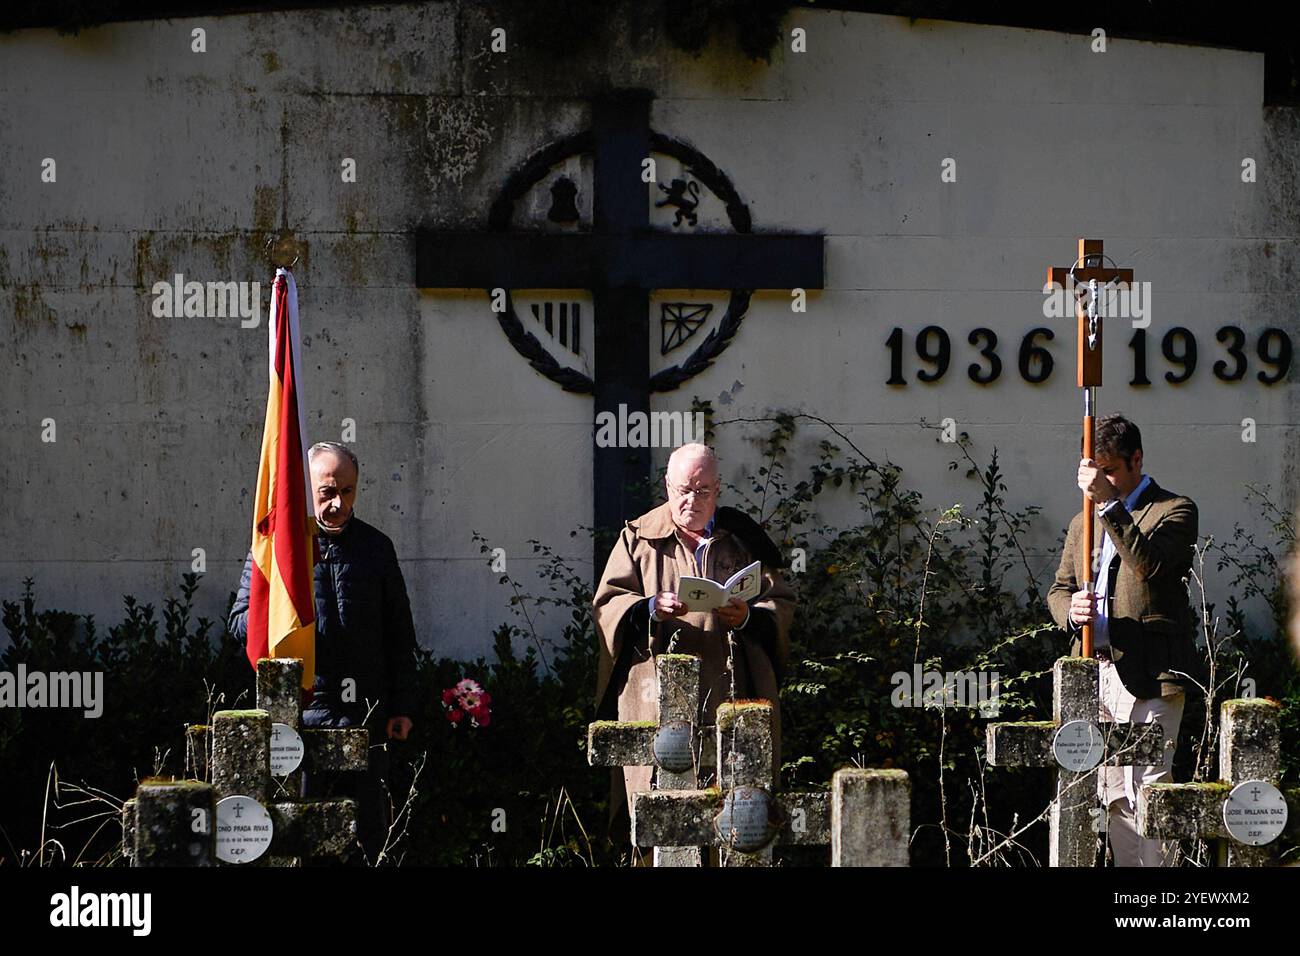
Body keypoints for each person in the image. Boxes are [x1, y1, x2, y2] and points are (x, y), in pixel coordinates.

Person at [593, 443, 795, 855]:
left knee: (735, 824)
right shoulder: (639, 538)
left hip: (732, 695)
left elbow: (781, 602)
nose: (692, 501)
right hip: (658, 704)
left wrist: (748, 617)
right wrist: (648, 608)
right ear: (667, 486)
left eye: (703, 491)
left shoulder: (743, 539)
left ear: (718, 489)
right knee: (663, 822)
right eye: (684, 489)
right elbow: (606, 606)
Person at [229, 441, 418, 864]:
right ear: (304, 488)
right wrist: (283, 616)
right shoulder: (277, 551)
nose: (338, 503)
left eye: (347, 491)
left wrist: (403, 706)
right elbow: (241, 625)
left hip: (366, 720)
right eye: (327, 492)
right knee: (304, 846)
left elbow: (400, 635)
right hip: (299, 726)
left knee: (368, 843)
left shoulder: (376, 548)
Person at [1047, 414, 1200, 867]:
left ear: (1137, 459)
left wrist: (1111, 505)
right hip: (1096, 675)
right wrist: (1070, 610)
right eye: (1096, 472)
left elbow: (1152, 567)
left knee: (1149, 791)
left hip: (1152, 673)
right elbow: (1058, 589)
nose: (1102, 481)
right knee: (1112, 794)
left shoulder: (1175, 509)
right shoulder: (1083, 522)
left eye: (1110, 470)